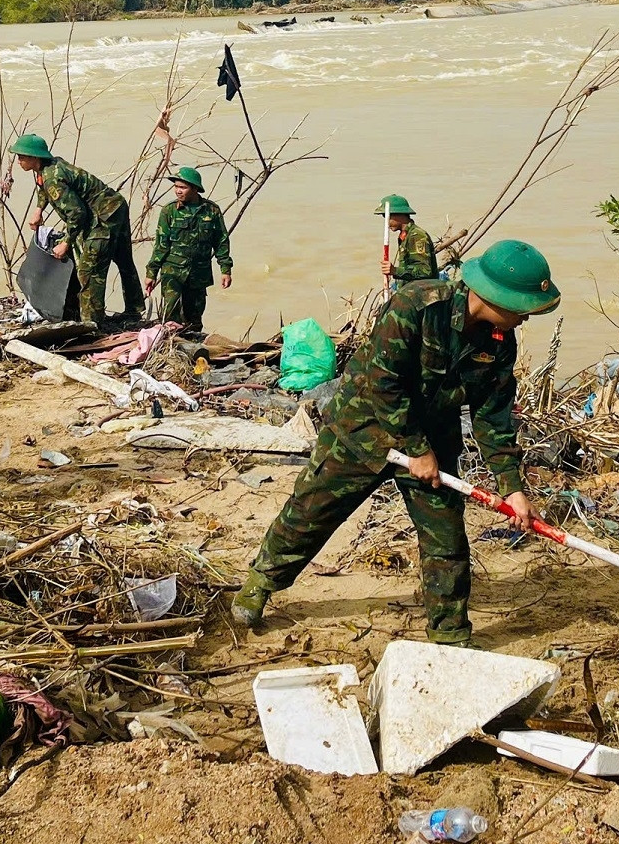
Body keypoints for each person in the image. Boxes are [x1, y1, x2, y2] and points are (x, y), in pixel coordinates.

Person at [231, 240, 559, 645]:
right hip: (363, 429)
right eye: (521, 307)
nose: (524, 318)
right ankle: (260, 583)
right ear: (494, 295)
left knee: (446, 539)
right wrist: (415, 449)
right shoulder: (417, 305)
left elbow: (493, 417)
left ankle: (451, 634)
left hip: (432, 446)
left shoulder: (498, 344)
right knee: (311, 512)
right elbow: (385, 382)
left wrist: (512, 486)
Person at [9, 133, 145, 325]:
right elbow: (43, 187)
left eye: (22, 157)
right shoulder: (50, 166)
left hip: (103, 217)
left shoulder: (52, 179)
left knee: (90, 269)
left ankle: (93, 325)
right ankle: (134, 311)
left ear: (35, 158)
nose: (18, 161)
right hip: (116, 206)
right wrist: (39, 209)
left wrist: (66, 242)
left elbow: (77, 214)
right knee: (124, 261)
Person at [143, 166, 232, 333]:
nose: (178, 191)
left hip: (199, 273)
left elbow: (221, 241)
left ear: (195, 188)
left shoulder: (211, 210)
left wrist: (225, 269)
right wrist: (151, 273)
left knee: (194, 319)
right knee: (170, 317)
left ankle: (193, 349)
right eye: (176, 187)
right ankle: (171, 349)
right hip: (172, 272)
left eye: (182, 187)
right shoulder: (169, 211)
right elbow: (161, 245)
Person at [378, 195, 438, 283]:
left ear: (399, 215)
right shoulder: (405, 235)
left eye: (387, 218)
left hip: (422, 292)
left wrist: (395, 271)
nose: (386, 223)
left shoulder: (416, 236)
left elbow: (424, 271)